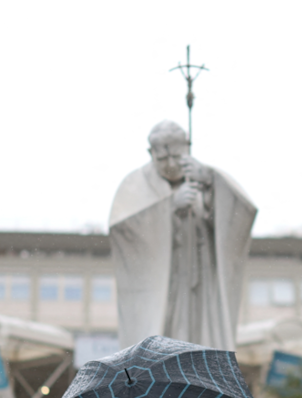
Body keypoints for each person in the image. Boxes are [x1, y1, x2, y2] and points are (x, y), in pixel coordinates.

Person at [108, 120, 256, 350]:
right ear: (150, 153)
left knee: (198, 339)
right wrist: (168, 209)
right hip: (163, 286)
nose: (170, 165)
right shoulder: (135, 186)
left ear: (188, 147)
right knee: (165, 338)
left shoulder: (202, 180)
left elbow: (238, 219)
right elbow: (124, 232)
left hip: (200, 285)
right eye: (162, 159)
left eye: (176, 156)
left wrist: (210, 183)